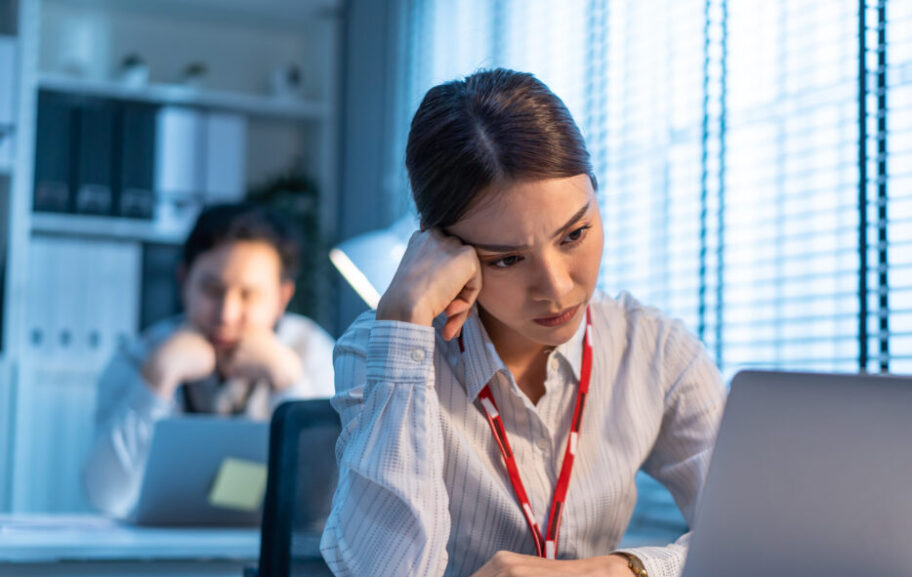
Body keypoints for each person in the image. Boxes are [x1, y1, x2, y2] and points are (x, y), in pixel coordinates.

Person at [320, 69, 726, 577]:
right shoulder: (379, 351)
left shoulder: (656, 350)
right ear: (444, 250)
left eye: (575, 233)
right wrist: (404, 321)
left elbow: (762, 540)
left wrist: (618, 571)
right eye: (507, 259)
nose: (556, 287)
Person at [83, 202, 335, 518]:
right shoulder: (139, 357)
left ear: (282, 297)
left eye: (249, 295)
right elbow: (106, 496)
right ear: (184, 280)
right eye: (211, 289)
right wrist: (155, 379)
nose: (226, 315)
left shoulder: (313, 352)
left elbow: (325, 506)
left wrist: (288, 381)